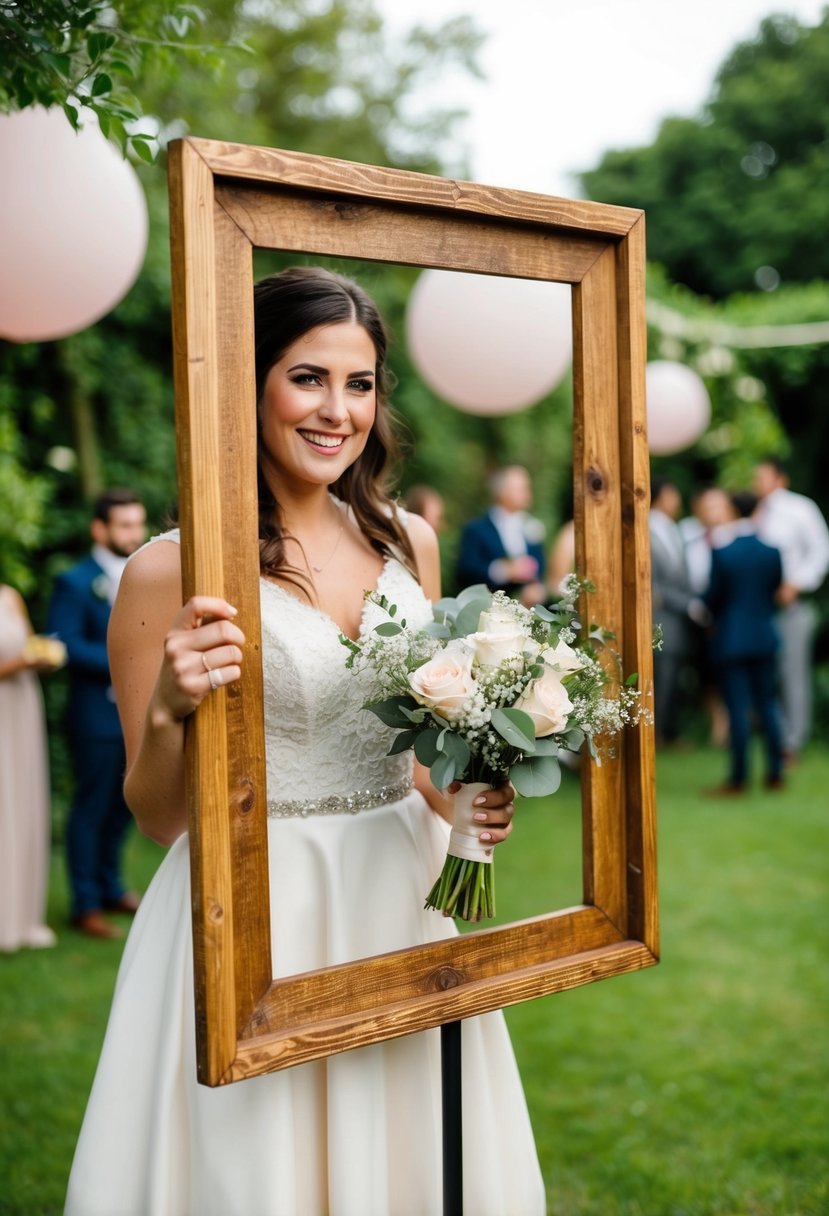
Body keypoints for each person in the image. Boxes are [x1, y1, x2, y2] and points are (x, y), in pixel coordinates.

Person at [65, 267, 545, 1216]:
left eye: (359, 383)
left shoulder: (410, 541)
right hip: (256, 903)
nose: (337, 410)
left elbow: (413, 747)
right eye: (308, 377)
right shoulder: (169, 567)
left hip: (401, 898)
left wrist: (463, 794)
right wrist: (169, 706)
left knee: (410, 1161)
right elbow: (159, 816)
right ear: (248, 384)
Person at [47, 488, 147, 939]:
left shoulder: (146, 575)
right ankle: (84, 902)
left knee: (127, 805)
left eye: (137, 523)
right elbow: (64, 643)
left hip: (140, 711)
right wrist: (128, 659)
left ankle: (111, 886)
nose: (134, 533)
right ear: (99, 528)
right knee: (91, 807)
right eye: (124, 525)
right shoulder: (74, 580)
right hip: (95, 714)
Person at [703, 491, 784, 794]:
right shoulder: (772, 551)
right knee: (768, 704)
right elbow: (774, 589)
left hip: (732, 639)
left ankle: (738, 779)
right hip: (765, 636)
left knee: (737, 708)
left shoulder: (723, 552)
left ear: (734, 510)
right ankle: (775, 773)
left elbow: (713, 597)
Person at [0, 585, 64, 951]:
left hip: (21, 707)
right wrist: (23, 663)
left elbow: (26, 645)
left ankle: (22, 915)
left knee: (22, 800)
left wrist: (39, 655)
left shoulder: (9, 595)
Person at [752, 458, 829, 761]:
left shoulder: (800, 509)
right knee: (762, 671)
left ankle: (792, 742)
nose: (757, 482)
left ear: (780, 479)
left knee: (792, 674)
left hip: (791, 606)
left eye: (762, 476)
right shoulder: (751, 512)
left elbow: (822, 549)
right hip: (756, 607)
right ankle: (774, 734)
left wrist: (797, 583)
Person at [648, 476, 707, 746]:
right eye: (673, 494)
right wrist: (687, 604)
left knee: (673, 676)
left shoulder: (675, 529)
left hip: (678, 619)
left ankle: (668, 732)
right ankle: (655, 735)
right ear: (660, 496)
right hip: (659, 615)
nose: (678, 501)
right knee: (659, 677)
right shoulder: (645, 528)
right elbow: (652, 583)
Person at [456, 464, 546, 606]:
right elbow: (466, 571)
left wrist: (537, 589)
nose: (528, 493)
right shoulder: (476, 529)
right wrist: (503, 570)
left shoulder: (533, 527)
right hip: (488, 610)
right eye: (522, 488)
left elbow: (540, 570)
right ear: (502, 491)